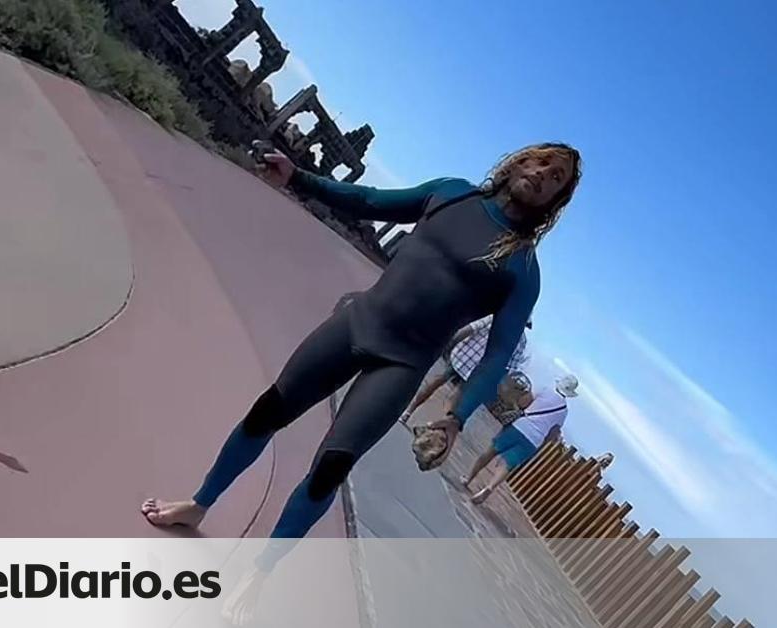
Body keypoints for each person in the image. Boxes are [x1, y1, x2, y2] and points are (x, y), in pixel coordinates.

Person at [140, 142, 582, 575]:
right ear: (518, 161)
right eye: (541, 162)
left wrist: (455, 418)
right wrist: (298, 178)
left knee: (330, 468)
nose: (543, 174)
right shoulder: (453, 193)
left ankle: (259, 573)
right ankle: (198, 504)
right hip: (356, 325)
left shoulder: (522, 268)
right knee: (267, 411)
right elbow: (368, 200)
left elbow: (498, 353)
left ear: (554, 202)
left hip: (401, 366)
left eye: (556, 177)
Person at [460, 373, 579, 505]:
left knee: (491, 451)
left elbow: (523, 402)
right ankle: (489, 487)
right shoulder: (564, 411)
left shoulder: (544, 389)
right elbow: (552, 433)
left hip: (519, 427)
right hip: (533, 441)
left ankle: (468, 478)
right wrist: (540, 443)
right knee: (508, 465)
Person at [399, 316, 532, 427]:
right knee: (445, 391)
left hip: (468, 364)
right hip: (468, 363)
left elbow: (469, 330)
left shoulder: (504, 327)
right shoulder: (511, 333)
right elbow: (506, 369)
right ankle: (421, 419)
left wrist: (450, 343)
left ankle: (418, 418)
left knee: (444, 390)